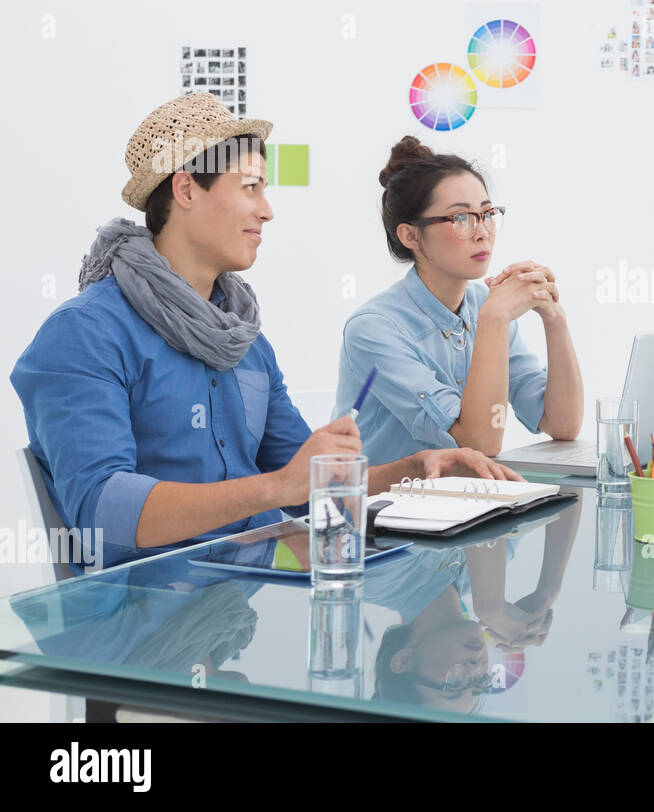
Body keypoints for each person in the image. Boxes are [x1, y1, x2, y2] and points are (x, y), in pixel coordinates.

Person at [10, 94, 518, 570]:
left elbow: (306, 483)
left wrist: (417, 468)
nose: (267, 209)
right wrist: (274, 488)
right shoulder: (83, 334)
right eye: (250, 187)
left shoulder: (245, 340)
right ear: (186, 188)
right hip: (142, 619)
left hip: (246, 604)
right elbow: (100, 512)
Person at [334, 136, 582, 462]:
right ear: (411, 236)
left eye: (487, 213)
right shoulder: (373, 329)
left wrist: (554, 318)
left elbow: (562, 424)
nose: (482, 231)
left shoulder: (484, 303)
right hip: (382, 507)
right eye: (460, 218)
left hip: (462, 504)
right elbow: (479, 443)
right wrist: (495, 318)